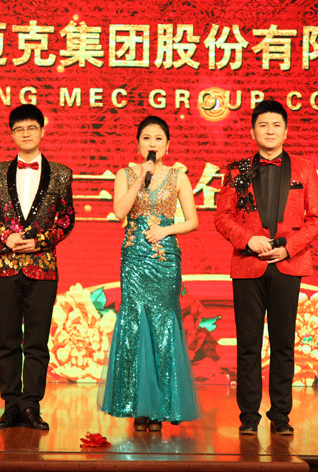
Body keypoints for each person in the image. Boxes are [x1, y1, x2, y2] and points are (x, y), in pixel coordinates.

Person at [214, 99, 318, 435]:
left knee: (283, 344)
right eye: (263, 125)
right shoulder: (236, 170)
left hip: (288, 263)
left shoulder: (304, 169)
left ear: (286, 131)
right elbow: (222, 217)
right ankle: (249, 415)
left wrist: (288, 248)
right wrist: (248, 239)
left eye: (276, 125)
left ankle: (281, 415)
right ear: (252, 132)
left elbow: (317, 217)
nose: (270, 131)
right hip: (248, 264)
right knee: (248, 344)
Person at [0, 104, 75, 430]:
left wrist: (40, 242)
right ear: (12, 134)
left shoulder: (61, 174)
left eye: (32, 128)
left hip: (43, 268)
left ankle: (31, 405)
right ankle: (11, 406)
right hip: (3, 267)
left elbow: (67, 219)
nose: (26, 134)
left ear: (42, 131)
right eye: (19, 129)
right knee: (7, 339)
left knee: (36, 341)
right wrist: (5, 236)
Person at [100, 116, 200, 432]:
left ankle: (161, 408)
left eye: (158, 138)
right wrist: (139, 178)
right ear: (138, 143)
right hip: (134, 258)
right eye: (146, 138)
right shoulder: (125, 174)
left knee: (162, 326)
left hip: (165, 259)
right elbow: (119, 211)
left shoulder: (179, 177)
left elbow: (193, 221)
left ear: (167, 145)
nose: (152, 143)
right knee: (134, 324)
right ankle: (137, 407)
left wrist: (166, 230)